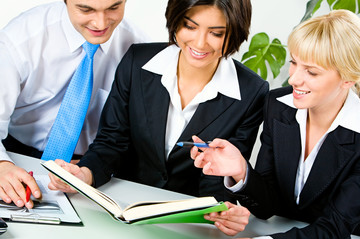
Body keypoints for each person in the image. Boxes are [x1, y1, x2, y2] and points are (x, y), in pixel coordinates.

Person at [48, 0, 268, 211]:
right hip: (122, 204)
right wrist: (85, 174)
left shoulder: (250, 91)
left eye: (216, 33)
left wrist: (217, 211)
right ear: (175, 20)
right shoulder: (137, 61)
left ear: (237, 32)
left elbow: (220, 173)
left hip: (188, 219)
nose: (200, 43)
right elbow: (112, 142)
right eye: (189, 26)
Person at [191, 9, 360, 239]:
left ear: (348, 79)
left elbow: (336, 228)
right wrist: (241, 171)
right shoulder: (278, 105)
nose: (293, 79)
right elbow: (267, 207)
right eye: (294, 63)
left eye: (311, 72)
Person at [0, 0, 148, 209]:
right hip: (18, 157)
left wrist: (92, 168)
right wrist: (1, 165)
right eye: (86, 10)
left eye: (113, 8)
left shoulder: (138, 48)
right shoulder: (21, 39)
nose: (100, 23)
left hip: (93, 170)